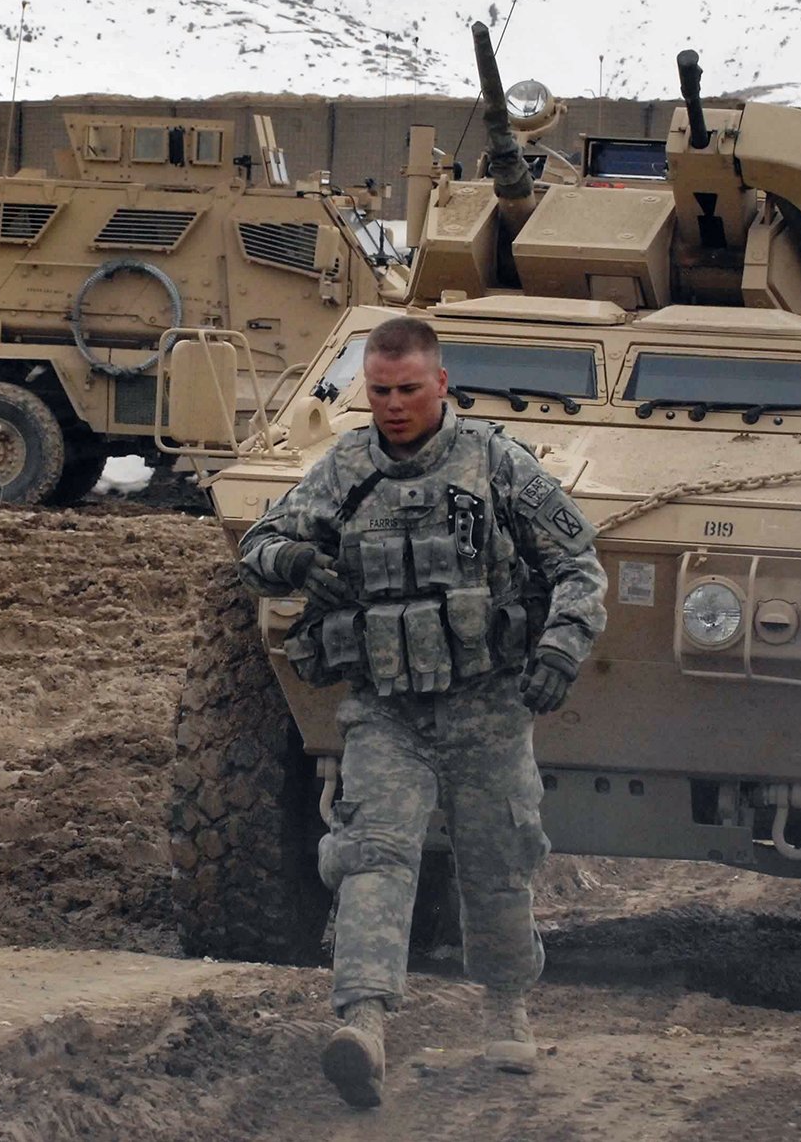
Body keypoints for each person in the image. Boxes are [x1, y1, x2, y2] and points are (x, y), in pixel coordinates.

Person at [238, 315, 607, 1108]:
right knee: (371, 853)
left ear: (441, 384)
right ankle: (363, 1024)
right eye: (379, 392)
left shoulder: (497, 463)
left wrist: (559, 650)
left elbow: (578, 564)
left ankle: (507, 1005)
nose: (395, 406)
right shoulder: (344, 470)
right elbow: (258, 549)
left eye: (409, 389)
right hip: (387, 708)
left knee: (498, 860)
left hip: (487, 704)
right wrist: (296, 556)